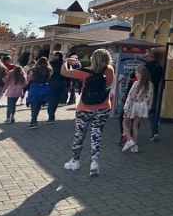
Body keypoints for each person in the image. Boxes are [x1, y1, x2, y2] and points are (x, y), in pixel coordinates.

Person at [62, 49, 114, 177]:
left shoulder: (84, 72)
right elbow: (109, 84)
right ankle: (94, 162)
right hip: (103, 107)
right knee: (96, 134)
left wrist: (66, 61)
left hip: (85, 107)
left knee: (80, 134)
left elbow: (63, 72)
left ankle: (75, 161)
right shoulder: (109, 70)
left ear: (93, 58)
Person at [121, 65, 153, 153]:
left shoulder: (136, 83)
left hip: (133, 105)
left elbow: (130, 97)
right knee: (135, 125)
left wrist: (126, 108)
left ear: (140, 74)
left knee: (124, 122)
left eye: (137, 73)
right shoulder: (150, 85)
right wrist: (148, 108)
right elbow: (150, 98)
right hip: (142, 106)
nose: (135, 74)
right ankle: (135, 145)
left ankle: (129, 140)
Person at [143, 49, 165, 142]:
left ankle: (131, 132)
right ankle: (155, 131)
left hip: (143, 91)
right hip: (154, 91)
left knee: (135, 112)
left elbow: (134, 76)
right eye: (145, 56)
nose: (146, 58)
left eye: (147, 56)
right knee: (152, 111)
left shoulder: (146, 67)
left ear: (152, 57)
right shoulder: (159, 67)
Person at [26, 57, 52, 128]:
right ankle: (34, 120)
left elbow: (29, 78)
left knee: (34, 103)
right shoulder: (49, 69)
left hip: (35, 87)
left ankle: (33, 121)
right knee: (39, 104)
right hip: (44, 87)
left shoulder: (34, 69)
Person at [47, 52, 68, 123]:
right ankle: (52, 114)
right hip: (62, 82)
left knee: (51, 99)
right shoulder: (64, 63)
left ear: (57, 56)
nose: (52, 56)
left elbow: (48, 72)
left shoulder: (51, 63)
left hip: (52, 81)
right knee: (57, 99)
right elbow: (67, 72)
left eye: (53, 55)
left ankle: (51, 117)